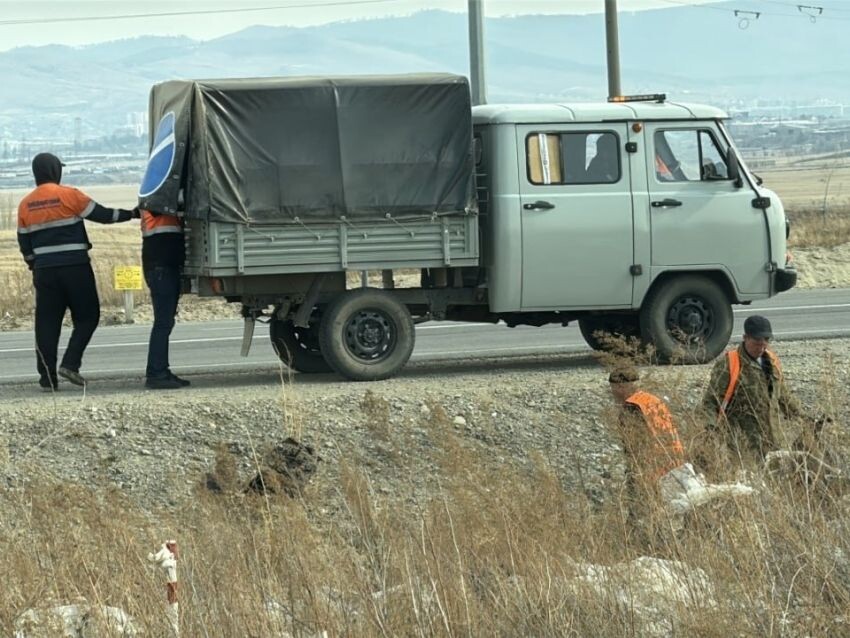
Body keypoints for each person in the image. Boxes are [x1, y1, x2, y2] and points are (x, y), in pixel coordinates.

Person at [17, 152, 136, 391]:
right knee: (87, 316)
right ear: (55, 171)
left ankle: (47, 377)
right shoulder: (70, 195)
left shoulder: (25, 204)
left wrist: (35, 264)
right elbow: (104, 215)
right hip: (75, 268)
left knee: (47, 323)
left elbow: (24, 244)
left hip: (45, 272)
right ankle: (70, 363)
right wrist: (132, 214)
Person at [702, 315, 803, 463]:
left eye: (766, 343)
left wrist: (802, 417)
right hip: (743, 447)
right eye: (757, 343)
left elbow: (782, 395)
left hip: (774, 442)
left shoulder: (772, 362)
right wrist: (711, 429)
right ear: (745, 338)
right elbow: (710, 402)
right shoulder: (729, 364)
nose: (762, 348)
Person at [608, 366, 686, 488]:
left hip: (653, 471)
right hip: (675, 462)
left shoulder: (631, 408)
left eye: (612, 389)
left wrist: (633, 475)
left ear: (620, 387)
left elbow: (634, 447)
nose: (611, 393)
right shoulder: (652, 400)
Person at [140, 208, 189, 390]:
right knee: (163, 323)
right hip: (161, 269)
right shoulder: (157, 203)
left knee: (165, 322)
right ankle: (156, 373)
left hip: (162, 268)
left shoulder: (157, 202)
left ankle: (161, 371)